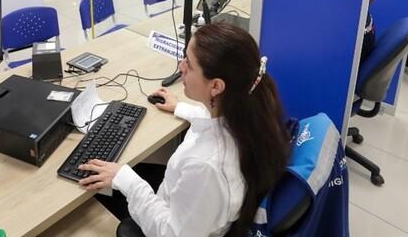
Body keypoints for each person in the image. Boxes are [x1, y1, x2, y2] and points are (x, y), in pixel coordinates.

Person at [78, 23, 291, 236]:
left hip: (173, 221)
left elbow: (171, 233)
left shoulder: (206, 166)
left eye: (189, 63)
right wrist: (180, 107)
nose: (181, 67)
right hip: (192, 205)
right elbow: (216, 125)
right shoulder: (250, 115)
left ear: (216, 86)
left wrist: (126, 180)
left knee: (92, 194)